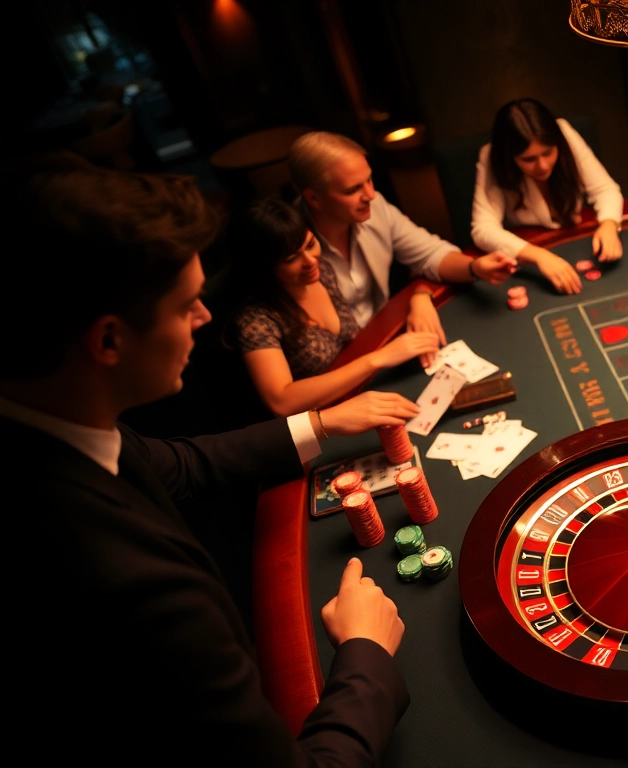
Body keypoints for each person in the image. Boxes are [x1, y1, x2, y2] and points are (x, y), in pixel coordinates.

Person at [5, 159, 419, 765]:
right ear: (109, 341)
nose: (204, 319)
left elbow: (185, 463)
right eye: (186, 306)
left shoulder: (55, 424)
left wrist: (325, 421)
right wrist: (365, 652)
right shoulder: (132, 586)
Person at [289, 131, 515, 366]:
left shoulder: (376, 209)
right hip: (343, 370)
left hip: (390, 341)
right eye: (352, 190)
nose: (370, 194)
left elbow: (429, 253)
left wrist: (475, 267)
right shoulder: (289, 251)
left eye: (369, 180)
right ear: (314, 199)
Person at [228, 197, 442, 417]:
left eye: (311, 245)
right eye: (292, 258)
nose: (311, 261)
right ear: (263, 267)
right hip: (323, 423)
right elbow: (281, 402)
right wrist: (378, 358)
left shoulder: (323, 272)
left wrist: (420, 295)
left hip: (359, 393)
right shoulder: (256, 321)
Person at [472, 98, 624, 295]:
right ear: (509, 157)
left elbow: (604, 188)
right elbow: (483, 229)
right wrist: (540, 257)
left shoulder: (564, 133)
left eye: (548, 152)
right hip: (522, 255)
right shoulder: (491, 157)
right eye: (528, 159)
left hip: (573, 238)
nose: (543, 166)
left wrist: (609, 224)